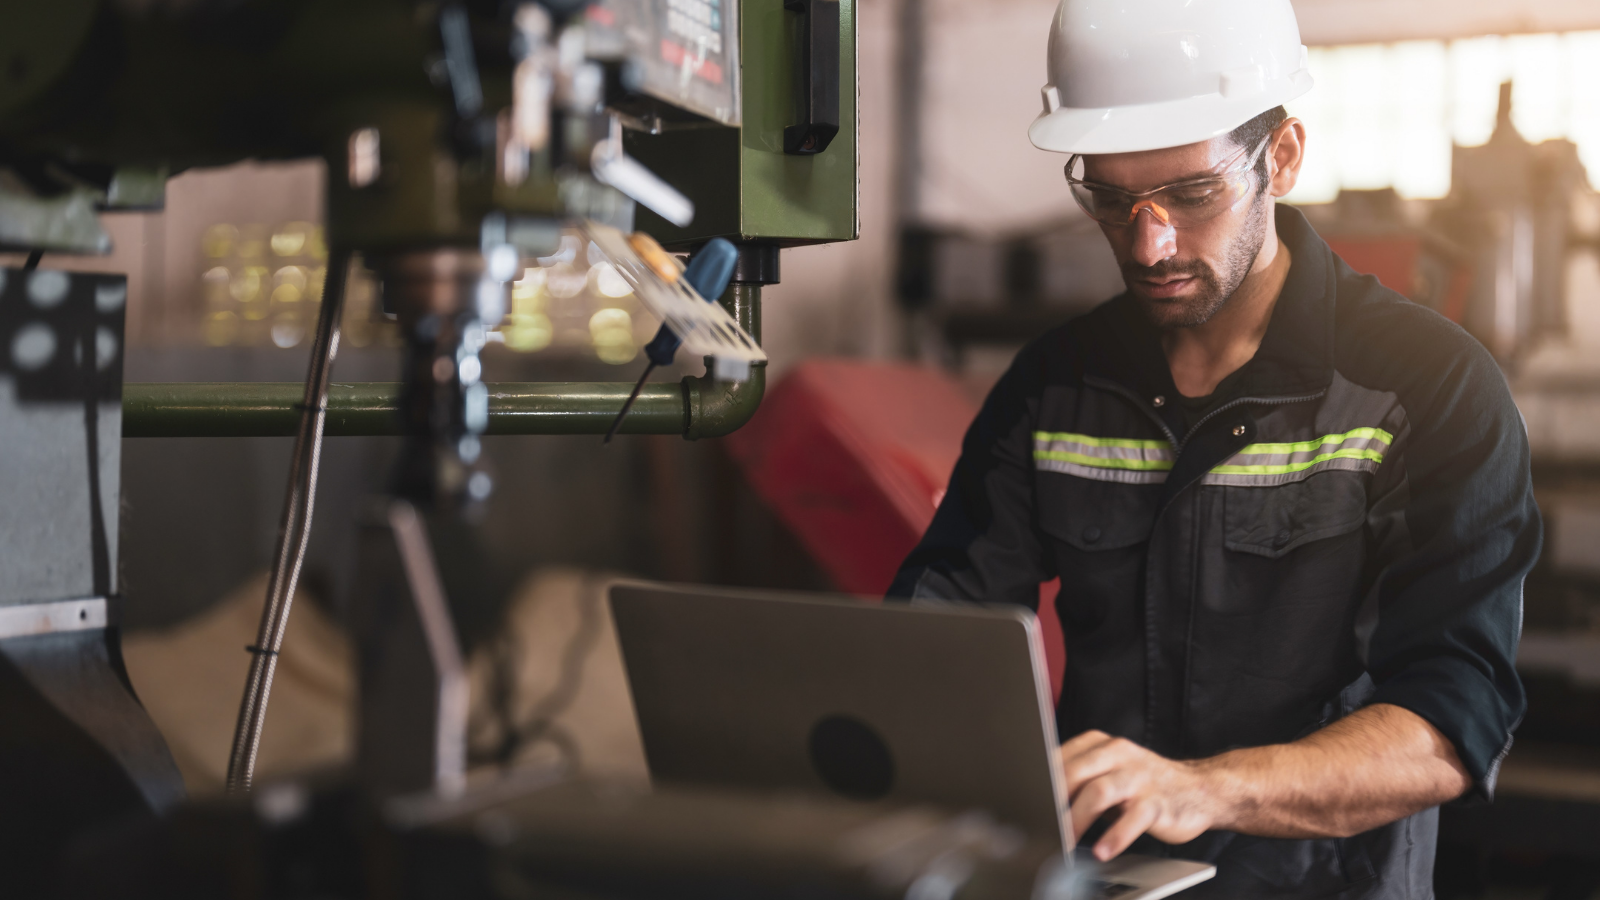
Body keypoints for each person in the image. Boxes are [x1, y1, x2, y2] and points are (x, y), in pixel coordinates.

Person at [887, 1, 1541, 896]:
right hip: (1101, 882)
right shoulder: (1055, 385)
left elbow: (1452, 724)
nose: (1148, 244)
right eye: (1111, 200)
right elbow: (939, 626)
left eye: (1191, 196)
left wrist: (1202, 789)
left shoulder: (1427, 387)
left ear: (1282, 157)